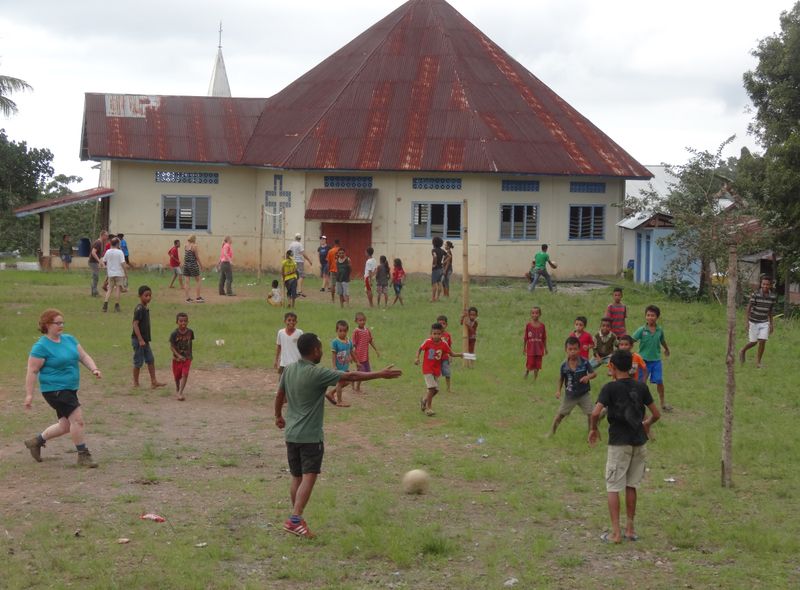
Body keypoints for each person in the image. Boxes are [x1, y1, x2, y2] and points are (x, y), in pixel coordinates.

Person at [274, 332, 401, 538]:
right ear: (315, 350)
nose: (322, 352)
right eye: (321, 349)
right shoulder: (317, 373)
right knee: (309, 476)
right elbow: (350, 376)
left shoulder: (289, 371)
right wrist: (379, 374)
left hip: (291, 434)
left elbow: (280, 395)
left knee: (296, 476)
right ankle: (295, 518)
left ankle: (296, 519)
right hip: (310, 436)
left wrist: (278, 416)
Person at [589, 349, 661, 544]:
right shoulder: (641, 387)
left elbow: (595, 413)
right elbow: (656, 413)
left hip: (619, 443)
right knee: (631, 485)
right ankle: (630, 529)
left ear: (611, 367)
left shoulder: (609, 388)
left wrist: (593, 429)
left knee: (613, 486)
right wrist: (646, 424)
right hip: (638, 442)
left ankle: (615, 533)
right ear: (632, 366)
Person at [23, 308, 102, 468]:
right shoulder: (41, 346)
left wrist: (94, 368)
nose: (61, 325)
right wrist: (29, 395)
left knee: (66, 425)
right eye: (57, 323)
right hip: (54, 390)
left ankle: (36, 442)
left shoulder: (69, 339)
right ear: (47, 325)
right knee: (77, 419)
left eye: (62, 322)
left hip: (70, 388)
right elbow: (32, 371)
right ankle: (83, 455)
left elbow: (83, 356)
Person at [550, 336, 597, 437]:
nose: (573, 352)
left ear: (579, 349)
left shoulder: (584, 362)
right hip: (570, 395)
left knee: (591, 414)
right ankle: (551, 433)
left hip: (584, 394)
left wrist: (587, 377)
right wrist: (558, 391)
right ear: (566, 350)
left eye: (575, 349)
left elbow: (594, 374)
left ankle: (591, 434)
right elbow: (561, 378)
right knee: (560, 415)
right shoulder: (564, 365)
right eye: (570, 349)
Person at [415, 322, 463, 416]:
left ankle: (424, 400)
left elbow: (451, 353)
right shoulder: (428, 342)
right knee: (432, 388)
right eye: (434, 334)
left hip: (436, 370)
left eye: (438, 334)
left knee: (436, 390)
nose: (436, 336)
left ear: (442, 334)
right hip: (427, 369)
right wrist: (417, 358)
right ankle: (429, 408)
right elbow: (419, 349)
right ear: (431, 334)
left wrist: (460, 355)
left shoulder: (444, 344)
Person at [632, 305, 671, 412]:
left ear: (657, 317)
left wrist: (667, 349)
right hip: (643, 361)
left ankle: (663, 403)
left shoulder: (659, 330)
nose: (650, 317)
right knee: (641, 383)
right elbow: (631, 340)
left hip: (656, 361)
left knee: (659, 381)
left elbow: (662, 340)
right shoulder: (641, 330)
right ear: (645, 317)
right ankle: (638, 404)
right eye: (648, 315)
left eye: (652, 315)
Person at [132, 285, 167, 389]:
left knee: (150, 360)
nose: (148, 298)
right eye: (146, 295)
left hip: (145, 340)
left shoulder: (145, 308)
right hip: (139, 341)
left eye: (150, 295)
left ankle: (154, 381)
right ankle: (135, 383)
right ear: (140, 296)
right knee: (138, 361)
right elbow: (135, 324)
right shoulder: (139, 309)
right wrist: (140, 339)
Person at [739, 275, 777, 369]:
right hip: (753, 321)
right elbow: (748, 308)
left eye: (767, 284)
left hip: (764, 322)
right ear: (761, 284)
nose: (765, 286)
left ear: (770, 285)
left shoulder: (772, 296)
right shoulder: (755, 294)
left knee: (763, 340)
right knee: (753, 342)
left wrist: (771, 324)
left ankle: (758, 363)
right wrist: (746, 322)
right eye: (763, 284)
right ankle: (743, 350)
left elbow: (770, 311)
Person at [330, 320, 357, 406]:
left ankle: (331, 393)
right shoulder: (335, 342)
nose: (342, 333)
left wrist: (356, 361)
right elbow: (333, 355)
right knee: (340, 383)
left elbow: (351, 352)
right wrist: (334, 366)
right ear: (336, 331)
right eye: (340, 331)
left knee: (348, 381)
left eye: (344, 331)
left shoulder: (349, 341)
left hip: (345, 366)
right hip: (339, 367)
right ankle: (339, 401)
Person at [169, 312, 194, 401]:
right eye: (181, 321)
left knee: (185, 374)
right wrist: (178, 355)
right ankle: (177, 388)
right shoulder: (174, 334)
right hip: (176, 359)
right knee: (177, 376)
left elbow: (190, 343)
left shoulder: (190, 332)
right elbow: (171, 347)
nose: (183, 323)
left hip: (187, 358)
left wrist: (189, 355)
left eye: (185, 321)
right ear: (177, 322)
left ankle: (180, 392)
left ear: (188, 322)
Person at [352, 312, 379, 392]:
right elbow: (353, 344)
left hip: (365, 356)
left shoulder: (367, 330)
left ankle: (352, 378)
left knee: (367, 372)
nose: (362, 322)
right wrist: (352, 355)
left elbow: (370, 341)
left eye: (363, 320)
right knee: (361, 373)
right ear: (356, 321)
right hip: (359, 356)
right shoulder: (356, 331)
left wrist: (376, 350)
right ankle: (357, 388)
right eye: (360, 320)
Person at [101, 237, 127, 313]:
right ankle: (116, 305)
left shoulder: (108, 252)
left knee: (109, 289)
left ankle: (105, 305)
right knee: (118, 289)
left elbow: (103, 261)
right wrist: (125, 273)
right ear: (117, 244)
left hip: (110, 274)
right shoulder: (120, 252)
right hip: (119, 273)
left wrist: (106, 267)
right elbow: (122, 263)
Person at [523, 306, 547, 380]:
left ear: (540, 314)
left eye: (536, 313)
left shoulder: (542, 326)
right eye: (533, 313)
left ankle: (535, 379)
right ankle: (527, 372)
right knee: (530, 364)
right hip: (531, 349)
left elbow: (544, 338)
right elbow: (525, 338)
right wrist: (524, 348)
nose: (535, 315)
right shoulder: (528, 325)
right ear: (531, 314)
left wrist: (546, 348)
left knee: (537, 365)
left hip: (539, 350)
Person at [183, 235, 204, 303]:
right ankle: (198, 297)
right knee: (198, 280)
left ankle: (187, 298)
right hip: (193, 264)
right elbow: (197, 257)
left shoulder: (185, 245)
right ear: (194, 239)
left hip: (186, 264)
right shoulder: (194, 246)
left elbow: (186, 255)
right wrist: (201, 265)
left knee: (186, 282)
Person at [436, 315, 454, 392]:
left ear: (446, 325)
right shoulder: (434, 335)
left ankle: (448, 388)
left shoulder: (447, 335)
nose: (441, 325)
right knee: (436, 373)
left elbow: (449, 346)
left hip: (445, 358)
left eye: (443, 323)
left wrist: (450, 356)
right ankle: (435, 388)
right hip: (436, 358)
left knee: (447, 373)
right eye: (440, 323)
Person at [89, 229, 108, 297]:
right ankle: (95, 292)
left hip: (94, 262)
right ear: (102, 235)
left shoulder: (101, 243)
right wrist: (99, 261)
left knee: (95, 277)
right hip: (93, 262)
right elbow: (93, 252)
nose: (107, 237)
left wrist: (101, 262)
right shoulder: (98, 242)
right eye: (106, 236)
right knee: (95, 277)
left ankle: (94, 292)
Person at [431, 236, 446, 302]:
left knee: (434, 284)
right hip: (441, 269)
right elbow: (449, 256)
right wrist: (443, 262)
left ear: (434, 243)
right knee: (439, 283)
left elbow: (435, 256)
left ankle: (433, 298)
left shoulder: (433, 250)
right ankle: (438, 298)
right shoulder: (442, 250)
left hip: (436, 269)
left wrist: (434, 264)